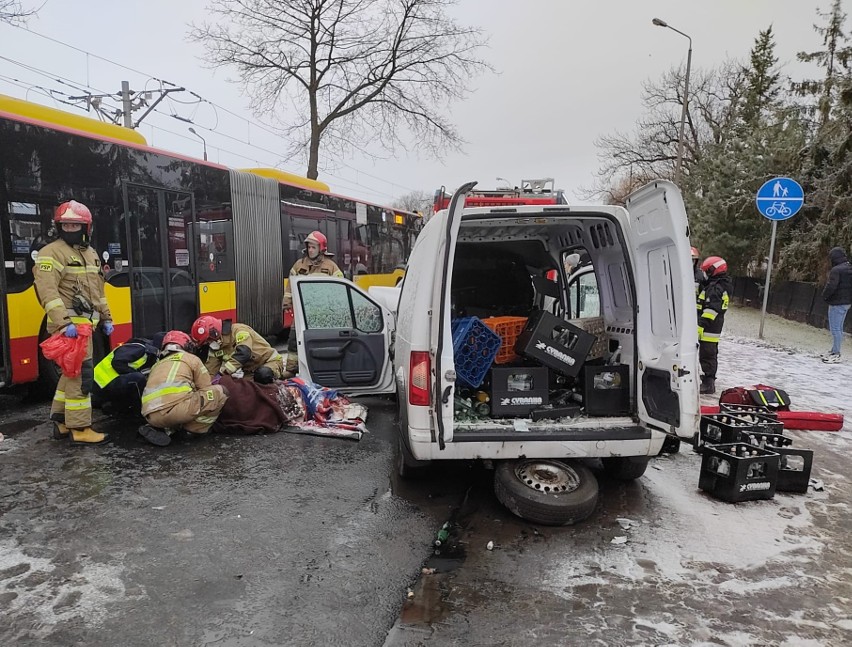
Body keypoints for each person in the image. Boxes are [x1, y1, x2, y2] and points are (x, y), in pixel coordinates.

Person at [34, 200, 113, 445]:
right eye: (65, 225)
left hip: (85, 326)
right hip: (70, 329)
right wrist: (62, 323)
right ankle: (80, 428)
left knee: (70, 374)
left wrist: (106, 318)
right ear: (59, 227)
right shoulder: (51, 253)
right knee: (81, 376)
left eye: (74, 225)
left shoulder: (90, 254)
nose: (70, 229)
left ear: (86, 227)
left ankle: (61, 420)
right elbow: (47, 292)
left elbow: (98, 292)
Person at [138, 331, 229, 446]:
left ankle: (165, 429)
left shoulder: (156, 365)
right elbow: (205, 387)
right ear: (186, 346)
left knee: (180, 403)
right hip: (177, 411)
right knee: (220, 392)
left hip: (150, 415)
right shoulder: (191, 359)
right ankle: (192, 430)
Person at [282, 231, 343, 375]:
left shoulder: (331, 267)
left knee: (318, 343)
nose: (310, 250)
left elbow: (339, 289)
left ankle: (319, 369)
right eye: (309, 247)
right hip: (301, 312)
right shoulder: (299, 265)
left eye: (313, 247)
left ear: (321, 248)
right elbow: (290, 286)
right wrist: (287, 303)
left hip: (321, 314)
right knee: (293, 341)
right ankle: (291, 370)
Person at [191, 315, 285, 383]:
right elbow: (210, 370)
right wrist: (204, 384)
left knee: (263, 375)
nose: (208, 344)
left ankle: (278, 388)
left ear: (214, 333)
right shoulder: (215, 347)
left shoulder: (239, 331)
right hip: (250, 372)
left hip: (270, 362)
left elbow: (244, 353)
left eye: (207, 341)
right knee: (244, 392)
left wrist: (223, 372)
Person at [92, 333, 165, 415]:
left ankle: (118, 407)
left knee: (139, 379)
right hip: (102, 383)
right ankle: (140, 412)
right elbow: (117, 362)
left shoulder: (151, 353)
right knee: (138, 379)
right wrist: (134, 373)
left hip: (108, 383)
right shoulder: (140, 348)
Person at [697, 256, 731, 395]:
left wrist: (700, 326)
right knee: (708, 354)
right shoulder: (718, 286)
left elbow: (711, 310)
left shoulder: (715, 288)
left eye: (707, 271)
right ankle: (707, 380)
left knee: (707, 355)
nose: (705, 274)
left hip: (709, 329)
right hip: (712, 328)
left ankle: (709, 383)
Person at [821, 246, 852, 364]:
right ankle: (834, 350)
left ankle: (836, 353)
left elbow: (831, 286)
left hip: (837, 303)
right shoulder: (849, 268)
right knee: (839, 328)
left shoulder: (836, 270)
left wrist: (824, 296)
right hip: (846, 303)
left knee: (835, 329)